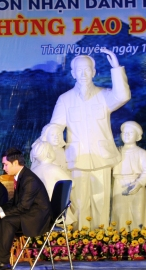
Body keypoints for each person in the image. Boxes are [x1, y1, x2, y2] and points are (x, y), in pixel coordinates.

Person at [49, 49, 131, 229]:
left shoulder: (104, 95)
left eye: (87, 69)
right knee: (79, 201)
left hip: (101, 157)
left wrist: (116, 68)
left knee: (101, 200)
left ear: (94, 72)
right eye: (79, 70)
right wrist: (46, 141)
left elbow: (123, 96)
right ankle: (80, 237)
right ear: (73, 73)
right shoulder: (65, 99)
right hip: (77, 158)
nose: (83, 74)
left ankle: (100, 236)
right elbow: (55, 126)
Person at [0, 148, 52, 270]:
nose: (4, 168)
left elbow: (23, 206)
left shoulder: (29, 179)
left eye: (5, 164)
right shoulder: (21, 176)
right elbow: (15, 201)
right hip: (27, 213)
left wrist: (0, 215)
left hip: (36, 218)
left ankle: (3, 262)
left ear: (15, 163)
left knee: (7, 221)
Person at [111, 121, 146, 229]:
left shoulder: (142, 153)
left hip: (136, 183)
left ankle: (138, 237)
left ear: (138, 136)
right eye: (124, 132)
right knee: (120, 213)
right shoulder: (116, 152)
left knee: (137, 214)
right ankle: (119, 237)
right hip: (119, 184)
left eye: (130, 132)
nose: (127, 135)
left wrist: (139, 183)